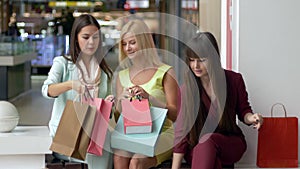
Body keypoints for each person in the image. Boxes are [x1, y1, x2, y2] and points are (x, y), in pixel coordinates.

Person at [171, 32, 263, 169]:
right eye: (191, 60)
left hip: (229, 142)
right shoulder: (186, 89)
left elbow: (244, 111)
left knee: (207, 141)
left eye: (201, 60)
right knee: (207, 151)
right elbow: (182, 132)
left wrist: (253, 118)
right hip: (198, 148)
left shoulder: (234, 80)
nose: (195, 65)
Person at [42, 14, 114, 169]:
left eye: (95, 38)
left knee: (107, 144)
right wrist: (71, 84)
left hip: (94, 131)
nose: (91, 42)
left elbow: (108, 112)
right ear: (76, 38)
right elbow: (47, 90)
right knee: (95, 151)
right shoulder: (62, 63)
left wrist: (110, 103)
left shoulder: (105, 72)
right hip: (68, 133)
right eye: (86, 37)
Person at [113, 19, 178, 169]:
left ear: (144, 42)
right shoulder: (121, 76)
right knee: (119, 156)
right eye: (124, 44)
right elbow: (119, 119)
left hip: (162, 133)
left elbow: (174, 114)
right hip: (133, 132)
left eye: (132, 42)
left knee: (136, 162)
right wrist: (119, 102)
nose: (128, 48)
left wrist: (150, 98)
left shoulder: (166, 72)